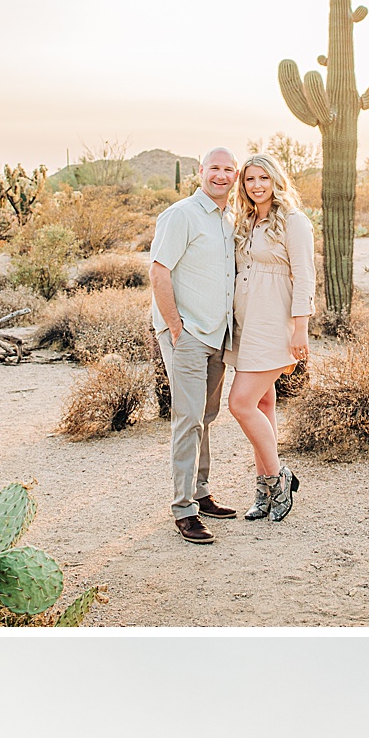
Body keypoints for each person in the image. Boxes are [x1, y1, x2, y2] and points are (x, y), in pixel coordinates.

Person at [148, 148, 238, 546]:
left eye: (228, 169)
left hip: (218, 335)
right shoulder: (181, 214)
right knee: (188, 418)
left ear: (235, 176)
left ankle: (201, 492)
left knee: (207, 414)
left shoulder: (228, 221)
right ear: (200, 172)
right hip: (187, 335)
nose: (221, 175)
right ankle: (183, 509)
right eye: (214, 168)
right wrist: (174, 327)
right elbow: (158, 270)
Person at [227, 152, 316, 524]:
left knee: (240, 403)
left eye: (263, 178)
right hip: (246, 321)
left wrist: (301, 328)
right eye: (250, 179)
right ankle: (263, 491)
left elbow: (305, 276)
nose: (256, 185)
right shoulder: (244, 220)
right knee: (263, 405)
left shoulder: (294, 221)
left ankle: (279, 478)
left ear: (275, 179)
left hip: (273, 322)